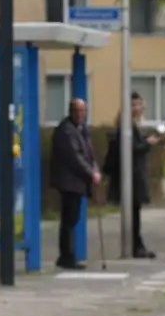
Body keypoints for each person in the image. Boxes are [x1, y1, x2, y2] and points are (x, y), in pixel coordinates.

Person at [102, 91, 158, 259]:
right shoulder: (125, 126)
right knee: (133, 212)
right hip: (130, 177)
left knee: (135, 212)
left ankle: (137, 244)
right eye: (133, 105)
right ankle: (135, 246)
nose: (137, 108)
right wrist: (147, 144)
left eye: (139, 104)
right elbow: (129, 148)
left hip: (134, 176)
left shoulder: (131, 125)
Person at [50, 98, 101, 270]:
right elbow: (75, 158)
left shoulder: (82, 129)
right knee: (69, 220)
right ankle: (66, 256)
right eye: (77, 111)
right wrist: (90, 173)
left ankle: (67, 255)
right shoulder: (66, 131)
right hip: (69, 182)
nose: (80, 114)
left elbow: (89, 153)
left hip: (77, 182)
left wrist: (94, 169)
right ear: (70, 111)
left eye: (83, 111)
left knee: (73, 218)